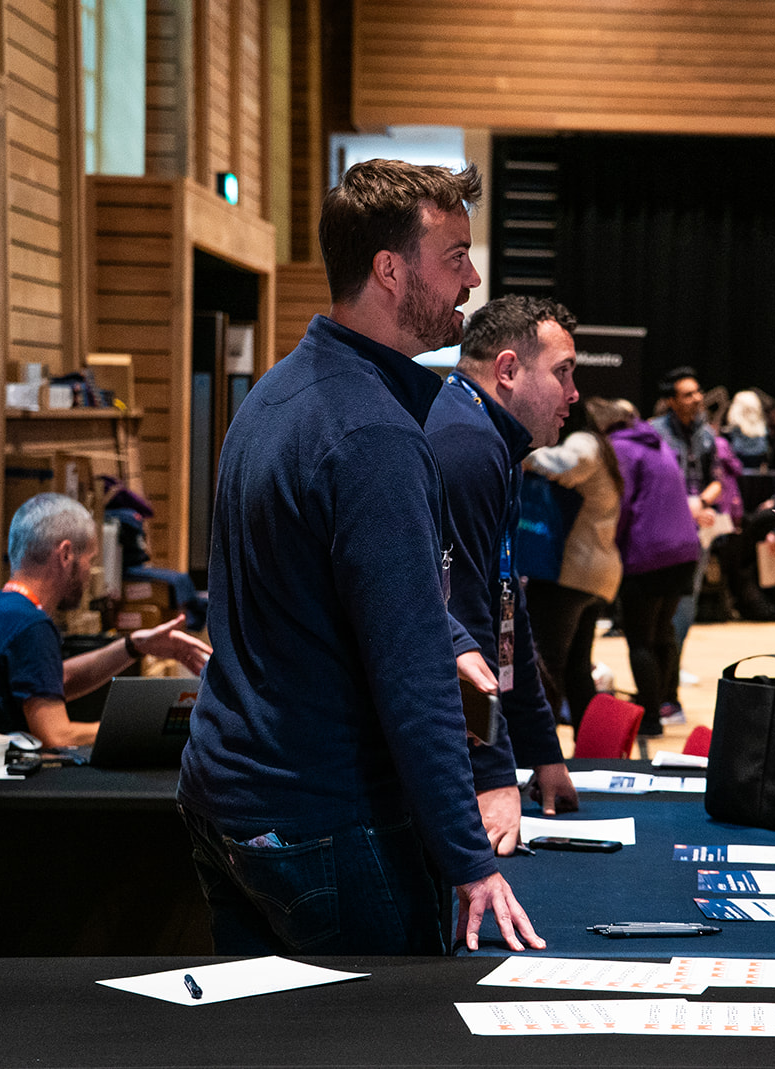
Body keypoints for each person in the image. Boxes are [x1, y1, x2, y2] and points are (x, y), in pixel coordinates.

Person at [177, 159, 544, 956]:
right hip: (323, 817)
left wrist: (452, 635)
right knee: (388, 1025)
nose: (472, 279)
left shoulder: (277, 393)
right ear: (390, 269)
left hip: (229, 802)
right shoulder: (372, 434)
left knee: (270, 1025)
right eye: (455, 257)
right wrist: (470, 857)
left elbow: (327, 585)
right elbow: (411, 673)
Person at [425, 295, 582, 847]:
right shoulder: (466, 443)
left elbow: (506, 615)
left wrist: (541, 752)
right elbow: (461, 619)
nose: (573, 393)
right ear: (508, 370)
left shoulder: (488, 437)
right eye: (563, 372)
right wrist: (491, 776)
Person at [0, 492, 212, 746]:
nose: (90, 574)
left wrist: (135, 645)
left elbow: (50, 679)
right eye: (90, 560)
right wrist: (152, 725)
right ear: (65, 555)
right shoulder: (31, 626)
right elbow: (57, 736)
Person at [600, 399, 702, 737]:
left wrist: (609, 546)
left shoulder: (621, 448)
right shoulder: (655, 441)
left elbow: (621, 503)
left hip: (648, 553)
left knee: (640, 638)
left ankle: (651, 717)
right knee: (663, 631)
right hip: (683, 549)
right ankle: (667, 702)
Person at [523, 404, 624, 732]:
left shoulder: (584, 442)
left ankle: (544, 749)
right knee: (576, 670)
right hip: (592, 572)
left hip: (571, 572)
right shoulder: (599, 443)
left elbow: (564, 464)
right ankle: (588, 749)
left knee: (547, 665)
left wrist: (519, 448)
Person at [651, 366, 723, 726]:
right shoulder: (654, 434)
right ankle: (658, 694)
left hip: (695, 537)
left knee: (684, 615)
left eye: (698, 392)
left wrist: (702, 503)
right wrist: (687, 505)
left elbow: (716, 481)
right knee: (660, 618)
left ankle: (668, 695)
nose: (697, 399)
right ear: (670, 401)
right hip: (661, 537)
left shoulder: (705, 434)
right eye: (688, 394)